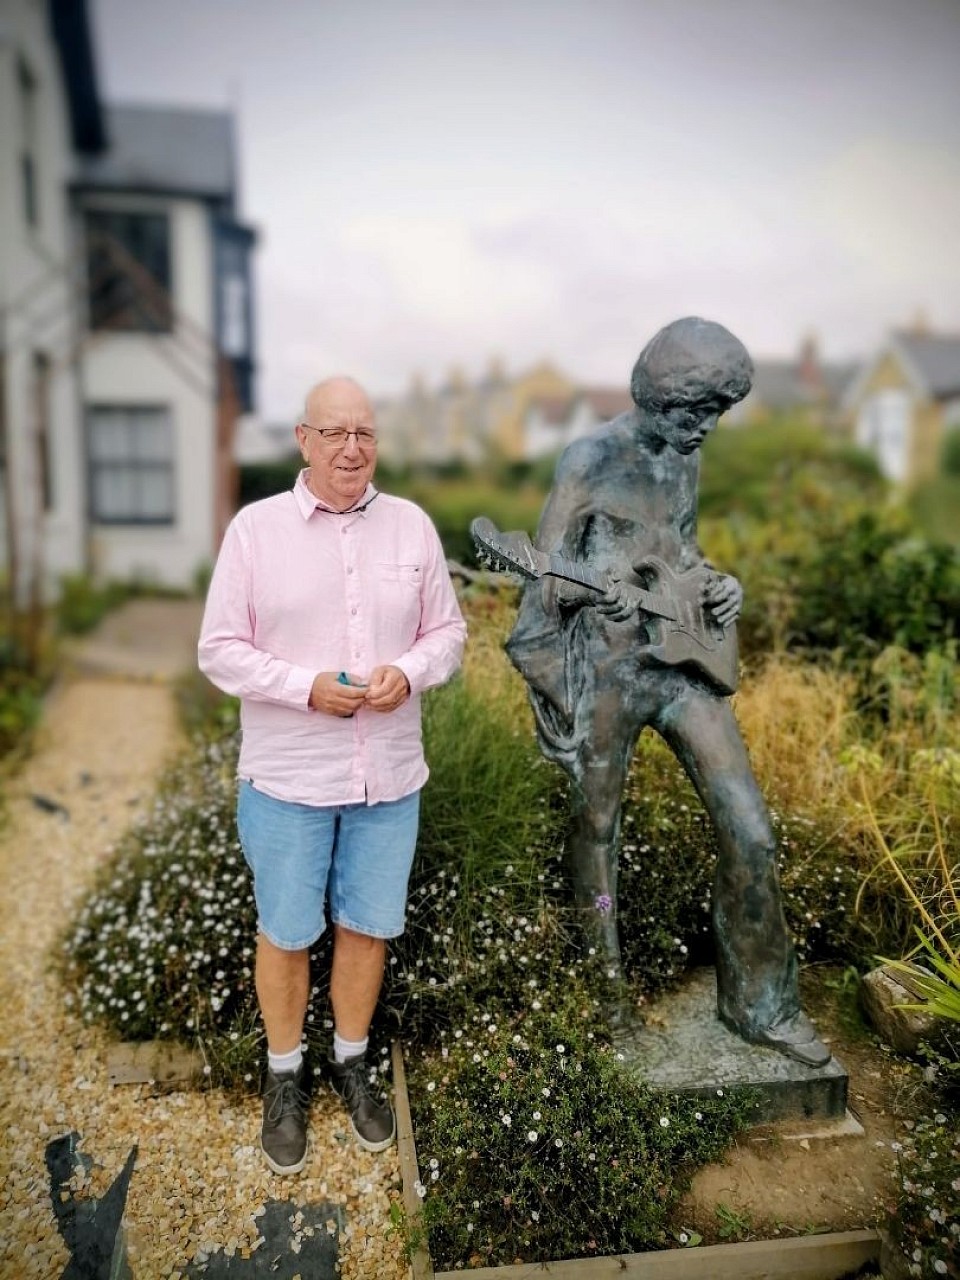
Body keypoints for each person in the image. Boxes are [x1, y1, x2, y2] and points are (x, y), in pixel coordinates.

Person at [505, 317, 829, 1067]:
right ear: (657, 398)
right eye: (695, 412)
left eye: (718, 413)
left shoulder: (687, 458)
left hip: (681, 665)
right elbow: (543, 582)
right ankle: (606, 1005)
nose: (706, 428)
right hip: (606, 672)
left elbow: (681, 553)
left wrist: (719, 586)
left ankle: (761, 1006)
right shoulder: (589, 458)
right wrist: (595, 594)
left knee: (750, 828)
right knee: (597, 832)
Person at [198, 376, 467, 1174]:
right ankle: (284, 1076)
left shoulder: (411, 527)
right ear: (304, 440)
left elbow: (448, 634)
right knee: (285, 934)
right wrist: (303, 687)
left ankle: (351, 1061)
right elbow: (219, 650)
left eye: (365, 433)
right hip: (289, 780)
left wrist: (408, 672)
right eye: (335, 432)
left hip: (389, 779)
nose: (353, 448)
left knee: (367, 927)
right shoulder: (255, 531)